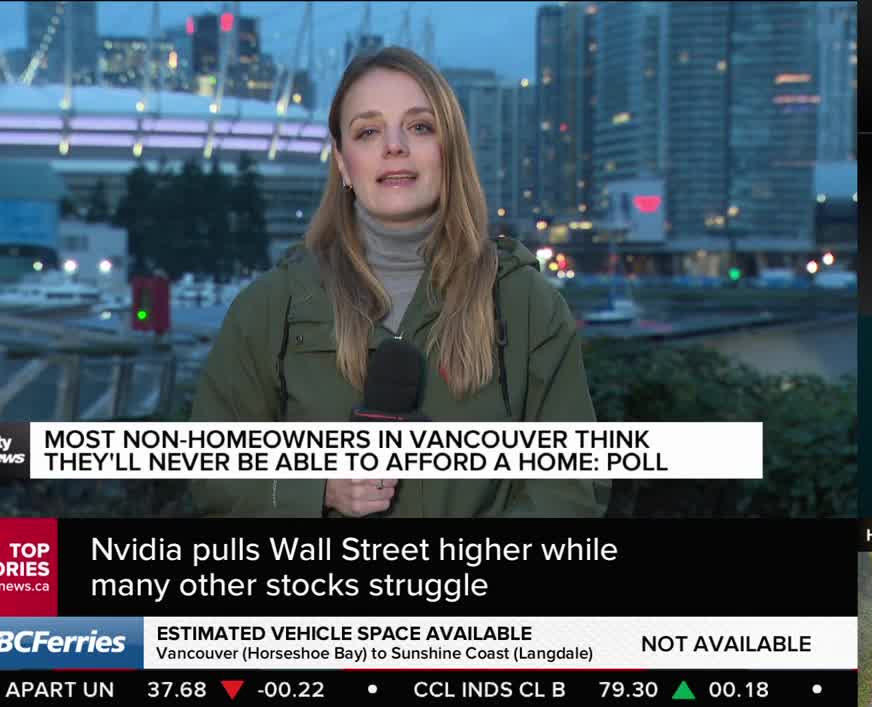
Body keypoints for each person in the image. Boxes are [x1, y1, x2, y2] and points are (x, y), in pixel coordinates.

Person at [188, 47, 608, 518]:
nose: (394, 146)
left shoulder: (525, 303)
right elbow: (212, 477)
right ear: (344, 164)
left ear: (449, 152)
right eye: (368, 131)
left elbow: (572, 487)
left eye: (419, 127)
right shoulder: (270, 308)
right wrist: (316, 487)